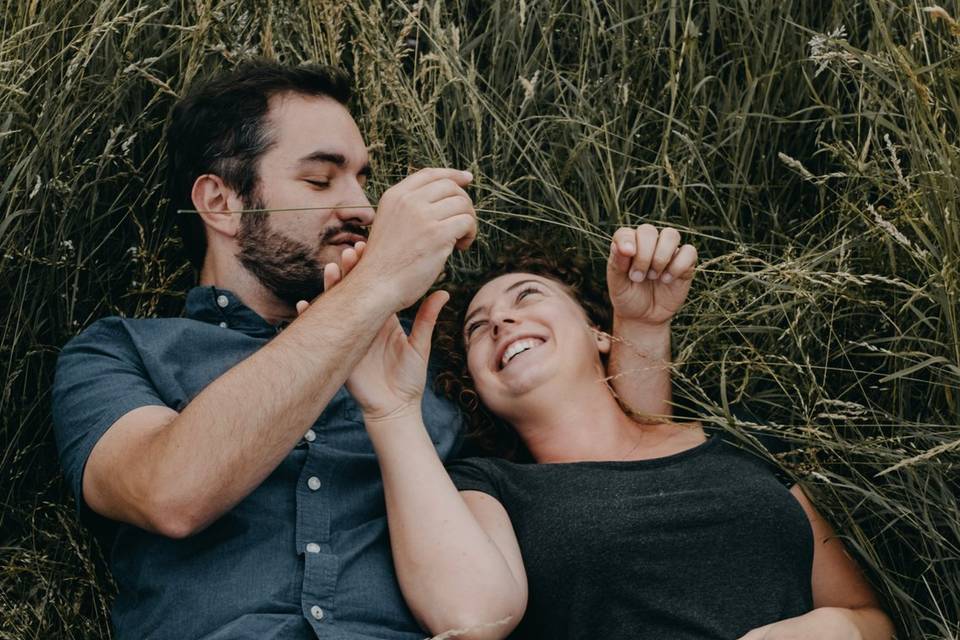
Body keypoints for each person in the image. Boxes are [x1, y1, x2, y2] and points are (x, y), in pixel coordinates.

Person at [51, 60, 680, 640]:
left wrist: (640, 330)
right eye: (320, 179)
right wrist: (376, 283)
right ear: (221, 201)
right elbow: (170, 493)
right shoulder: (117, 352)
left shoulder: (429, 354)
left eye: (362, 179)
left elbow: (604, 457)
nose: (361, 207)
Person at [317, 231, 896, 640]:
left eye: (527, 297)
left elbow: (867, 615)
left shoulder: (741, 446)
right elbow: (467, 616)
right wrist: (391, 409)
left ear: (597, 332)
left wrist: (836, 627)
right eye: (477, 328)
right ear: (476, 386)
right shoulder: (489, 487)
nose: (500, 321)